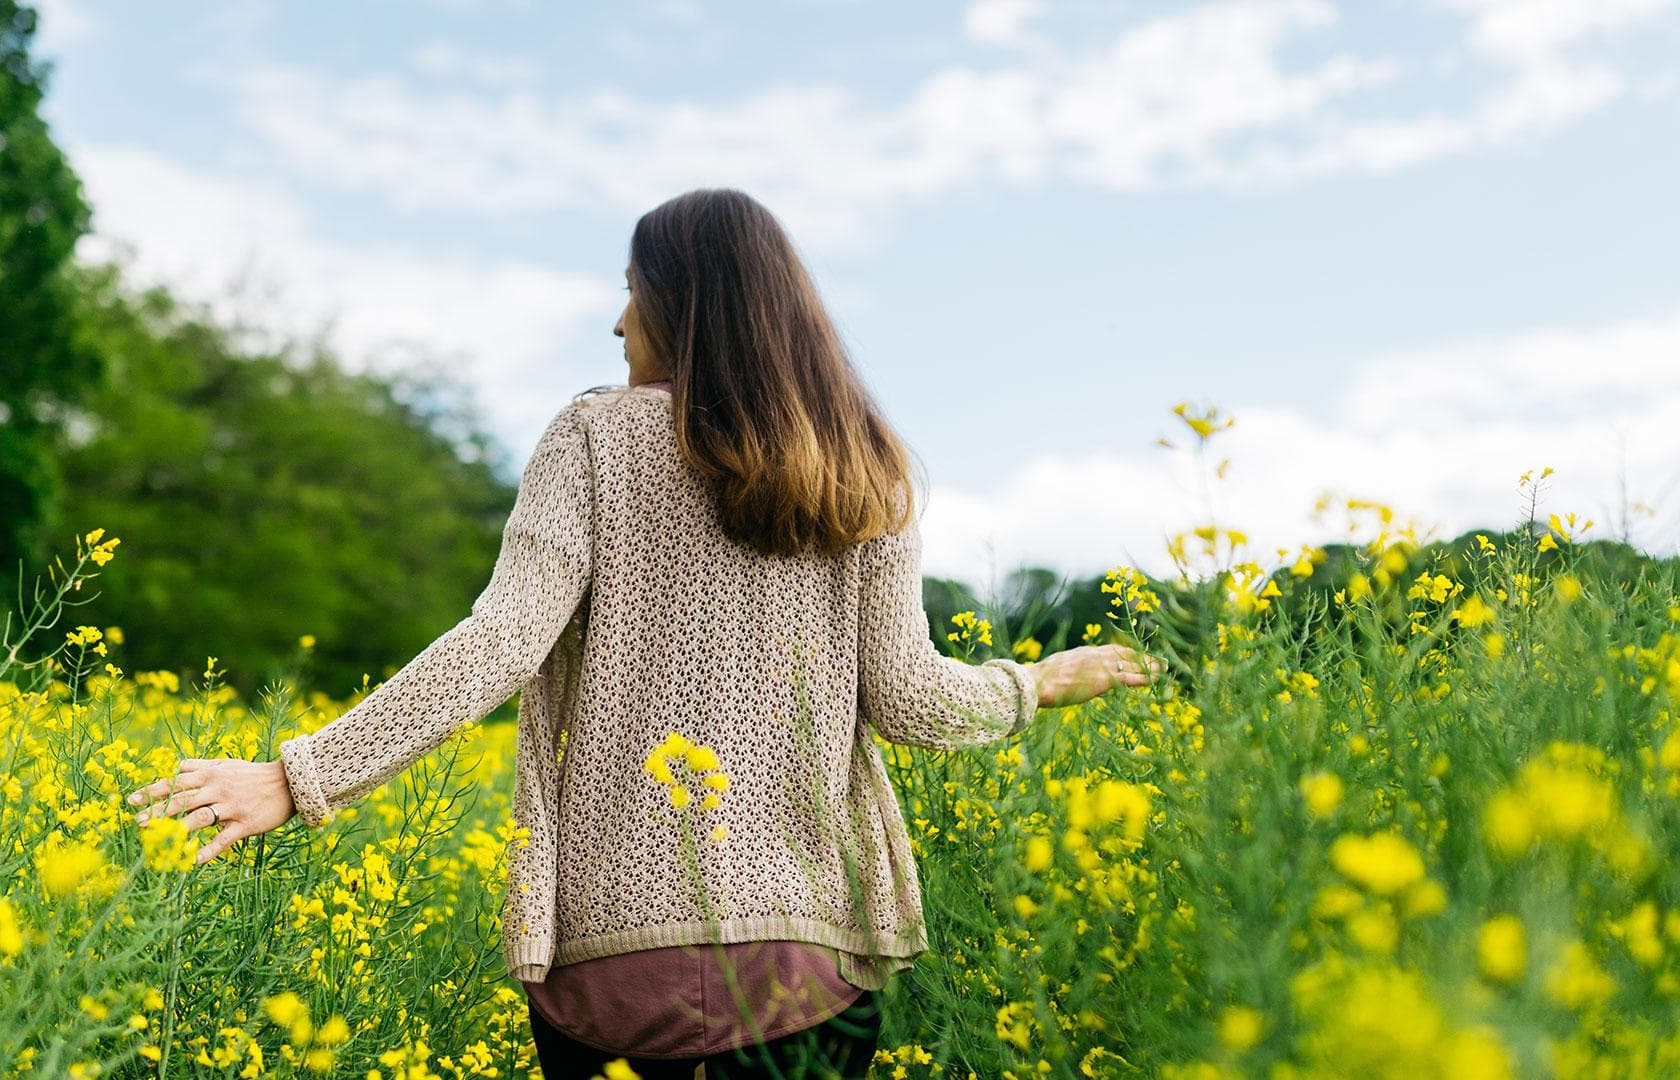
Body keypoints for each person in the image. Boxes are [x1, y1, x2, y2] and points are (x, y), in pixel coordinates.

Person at [126, 188, 1165, 1077]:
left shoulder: (591, 438)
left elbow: (500, 643)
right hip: (811, 964)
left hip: (610, 971)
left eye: (632, 290)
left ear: (680, 304)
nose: (618, 323)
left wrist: (300, 775)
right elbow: (913, 700)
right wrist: (1043, 682)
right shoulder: (866, 468)